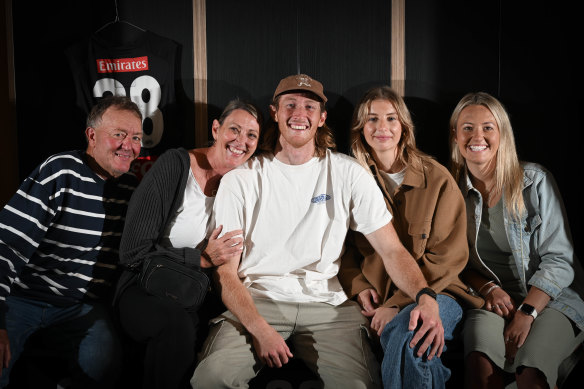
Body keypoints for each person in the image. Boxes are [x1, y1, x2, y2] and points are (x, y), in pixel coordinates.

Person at [192, 74, 443, 388]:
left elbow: (391, 250)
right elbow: (226, 274)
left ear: (322, 117)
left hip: (329, 307)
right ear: (275, 112)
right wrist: (260, 329)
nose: (299, 113)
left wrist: (425, 297)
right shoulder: (241, 180)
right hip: (258, 301)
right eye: (290, 105)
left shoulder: (347, 173)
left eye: (309, 106)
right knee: (210, 379)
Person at [337, 86, 483, 389]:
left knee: (410, 334)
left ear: (404, 127)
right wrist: (360, 286)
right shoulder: (351, 180)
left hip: (441, 292)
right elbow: (341, 248)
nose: (382, 128)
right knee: (409, 343)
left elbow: (447, 260)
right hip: (376, 301)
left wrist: (396, 304)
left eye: (391, 118)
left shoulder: (436, 178)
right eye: (372, 119)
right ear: (360, 128)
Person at [114, 99, 262, 389]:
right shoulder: (176, 165)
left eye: (251, 135)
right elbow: (131, 252)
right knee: (178, 326)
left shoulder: (246, 180)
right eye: (234, 129)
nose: (241, 141)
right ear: (216, 129)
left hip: (200, 295)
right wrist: (201, 259)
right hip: (145, 289)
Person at [0, 95, 143, 388]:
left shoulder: (131, 187)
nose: (129, 145)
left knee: (104, 366)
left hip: (82, 306)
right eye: (119, 134)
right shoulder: (61, 170)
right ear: (92, 135)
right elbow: (8, 243)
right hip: (23, 297)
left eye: (137, 137)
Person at [449, 92, 584, 389]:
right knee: (479, 368)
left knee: (530, 373)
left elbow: (560, 261)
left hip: (551, 299)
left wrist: (527, 312)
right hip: (490, 300)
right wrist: (488, 288)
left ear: (502, 134)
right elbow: (453, 264)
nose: (477, 136)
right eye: (467, 127)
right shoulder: (451, 191)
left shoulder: (535, 181)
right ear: (456, 135)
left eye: (488, 127)